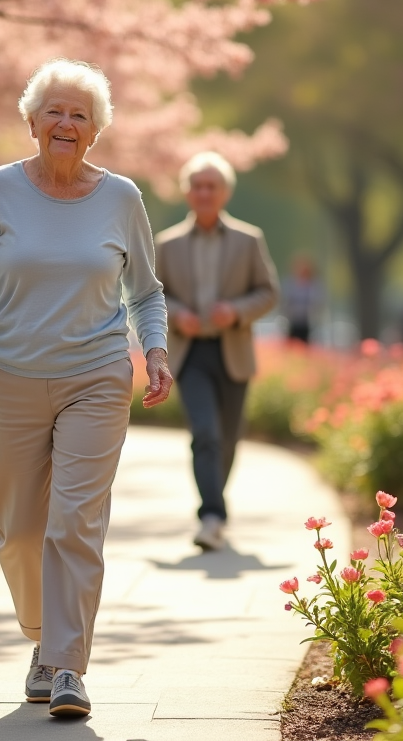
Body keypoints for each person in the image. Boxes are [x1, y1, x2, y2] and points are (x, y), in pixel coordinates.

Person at [0, 58, 172, 719]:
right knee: (18, 530)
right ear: (32, 121)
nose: (66, 123)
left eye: (79, 114)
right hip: (11, 375)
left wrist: (154, 351)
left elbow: (147, 292)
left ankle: (67, 666)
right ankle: (44, 640)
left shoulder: (122, 198)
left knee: (74, 522)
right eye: (55, 111)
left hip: (97, 377)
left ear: (96, 129)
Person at [154, 152, 279, 552]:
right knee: (204, 433)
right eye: (197, 185)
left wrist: (237, 312)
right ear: (187, 192)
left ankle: (214, 508)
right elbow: (152, 295)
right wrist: (178, 314)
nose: (204, 192)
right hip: (189, 355)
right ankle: (212, 516)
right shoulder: (167, 244)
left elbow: (269, 292)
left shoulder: (249, 239)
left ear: (224, 192)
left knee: (227, 439)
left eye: (212, 186)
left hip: (233, 351)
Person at [281, 253, 323, 343]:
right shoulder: (290, 283)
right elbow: (285, 301)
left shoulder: (313, 285)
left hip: (307, 322)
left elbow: (317, 303)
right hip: (292, 321)